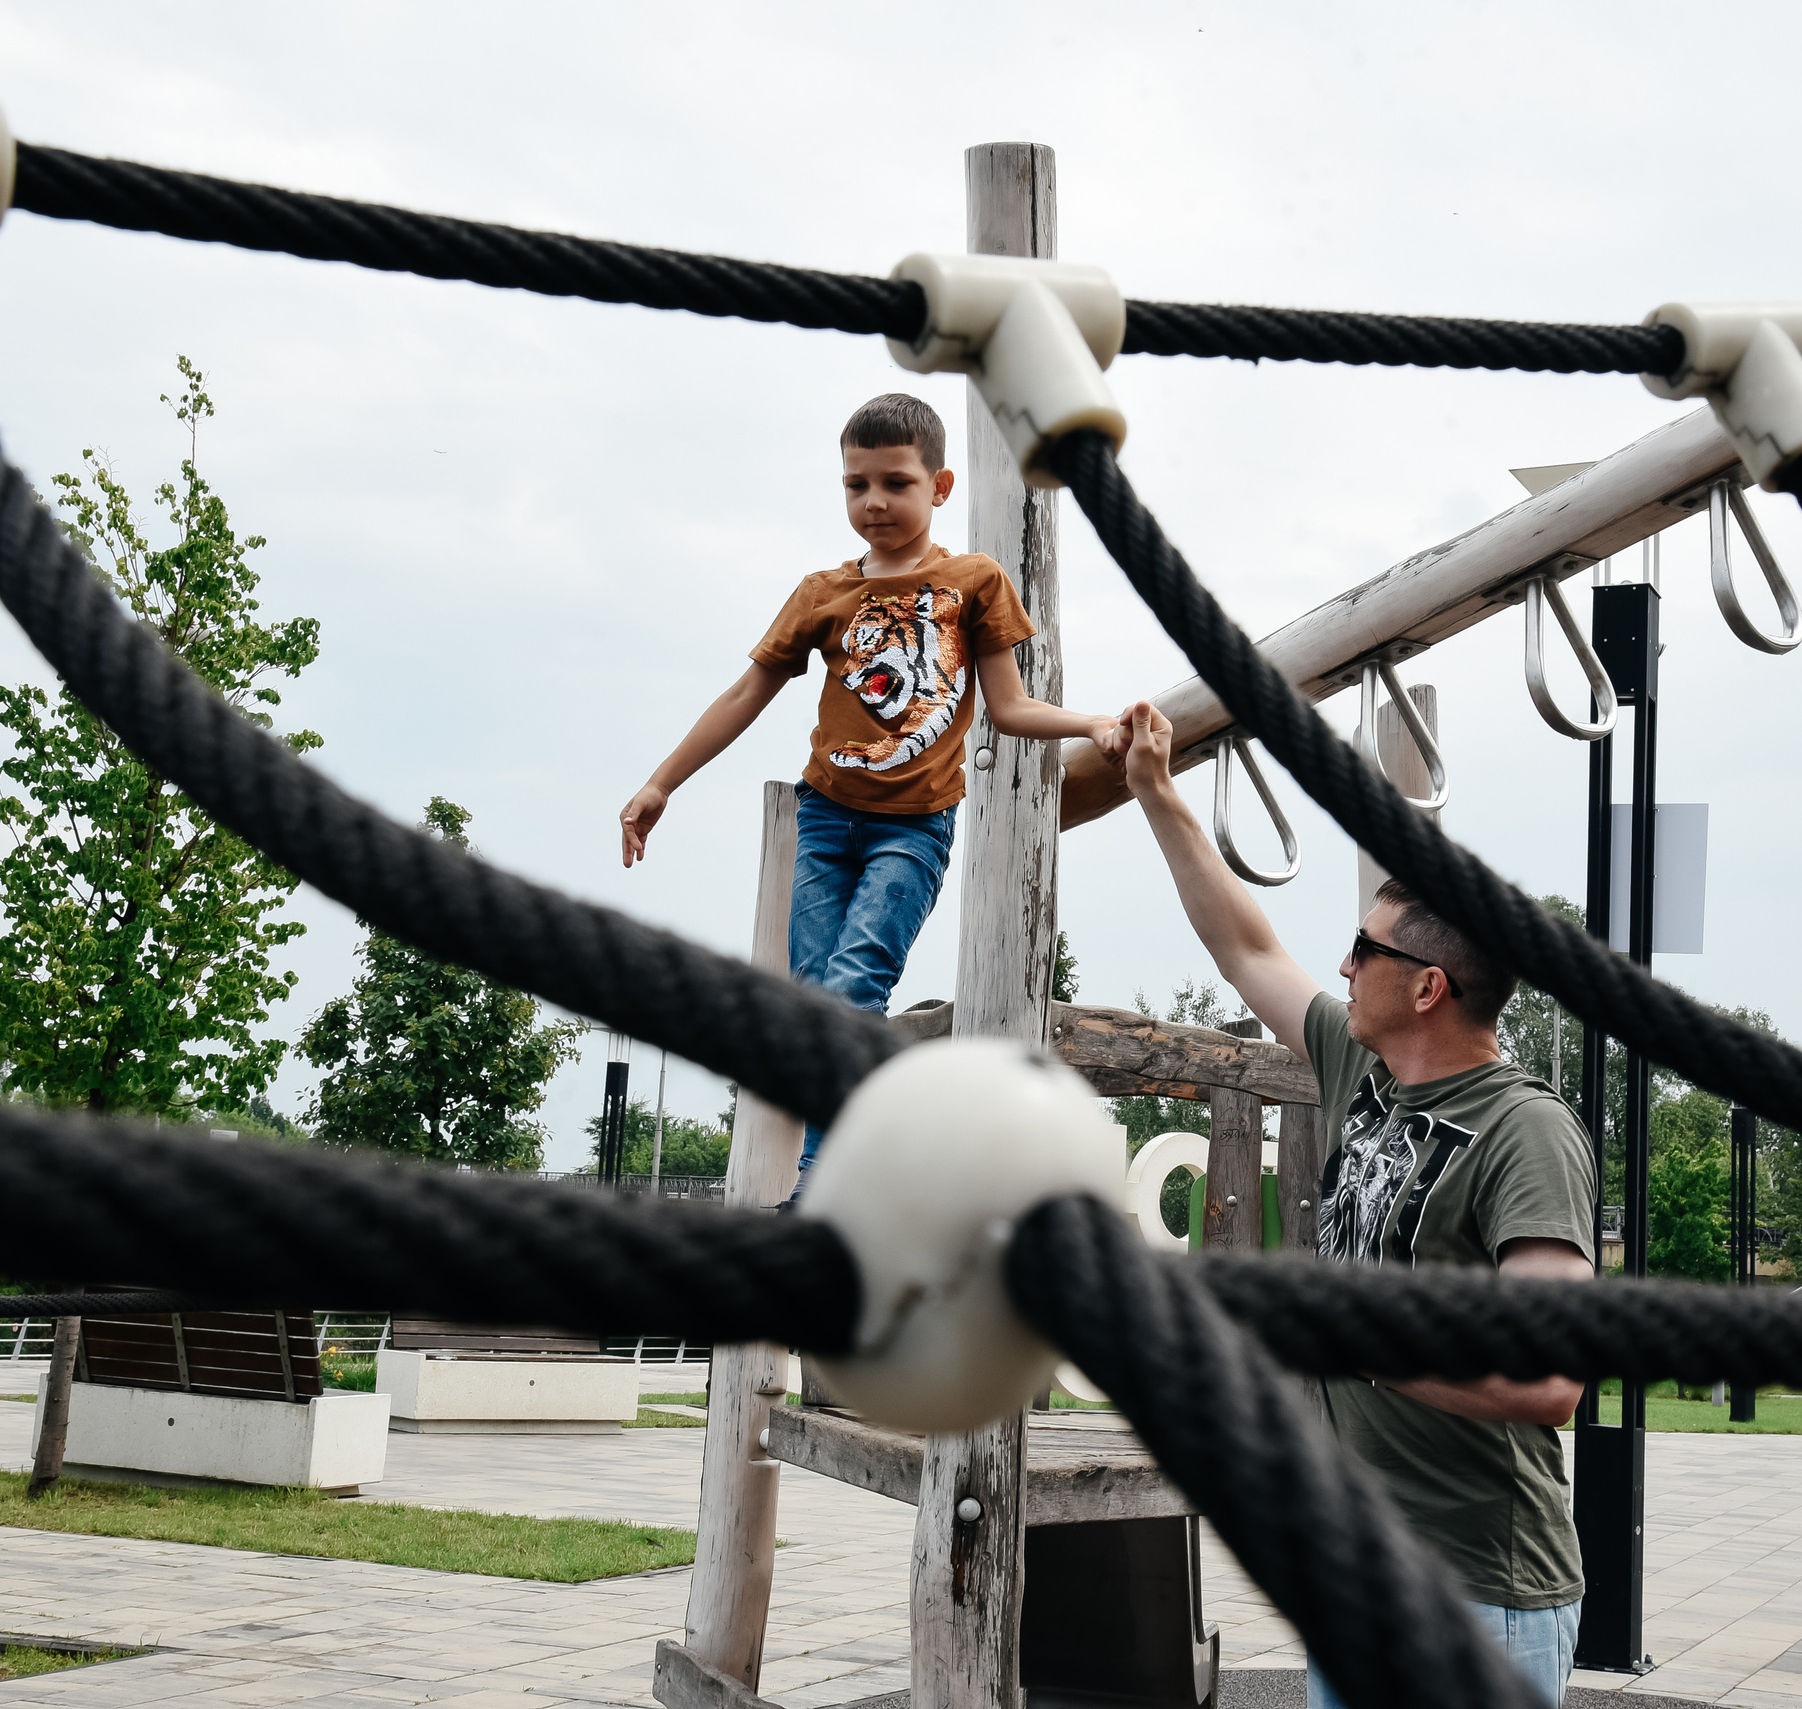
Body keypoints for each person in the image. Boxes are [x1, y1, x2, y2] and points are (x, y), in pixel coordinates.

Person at [1112, 698, 1597, 1709]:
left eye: (1362, 950)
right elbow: (1247, 951)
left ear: (1426, 987)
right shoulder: (1358, 1066)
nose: (1339, 964)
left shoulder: (1525, 1132)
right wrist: (1156, 792)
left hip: (1477, 1594)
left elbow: (1549, 1377)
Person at [620, 393, 1119, 1199]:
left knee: (855, 985)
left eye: (895, 483)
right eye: (856, 485)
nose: (875, 502)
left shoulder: (973, 583)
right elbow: (747, 692)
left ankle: (825, 1180)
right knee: (820, 1003)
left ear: (941, 485)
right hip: (824, 819)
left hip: (913, 830)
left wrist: (1092, 721)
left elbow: (1011, 707)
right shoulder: (822, 592)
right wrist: (661, 781)